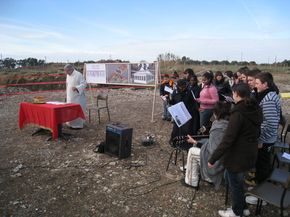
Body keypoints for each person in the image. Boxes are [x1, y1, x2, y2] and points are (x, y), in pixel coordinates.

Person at [208, 83, 263, 217]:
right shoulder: (254, 107)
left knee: (235, 184)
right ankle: (243, 207)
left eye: (233, 93)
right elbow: (256, 130)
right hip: (249, 152)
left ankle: (237, 212)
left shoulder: (238, 113)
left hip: (238, 155)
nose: (232, 95)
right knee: (235, 180)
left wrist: (213, 158)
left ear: (237, 94)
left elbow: (228, 139)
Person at [182, 101, 231, 189]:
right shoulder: (229, 122)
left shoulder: (219, 128)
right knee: (199, 142)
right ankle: (197, 172)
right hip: (227, 155)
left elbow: (213, 151)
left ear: (216, 113)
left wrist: (196, 143)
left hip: (218, 161)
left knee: (192, 152)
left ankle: (191, 181)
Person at [64, 64, 87, 129]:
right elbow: (67, 85)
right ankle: (70, 124)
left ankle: (78, 126)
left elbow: (84, 84)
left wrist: (77, 88)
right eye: (65, 71)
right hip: (70, 97)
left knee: (77, 111)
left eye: (66, 71)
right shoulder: (68, 75)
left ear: (71, 69)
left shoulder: (78, 75)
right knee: (70, 111)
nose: (66, 73)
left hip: (78, 98)